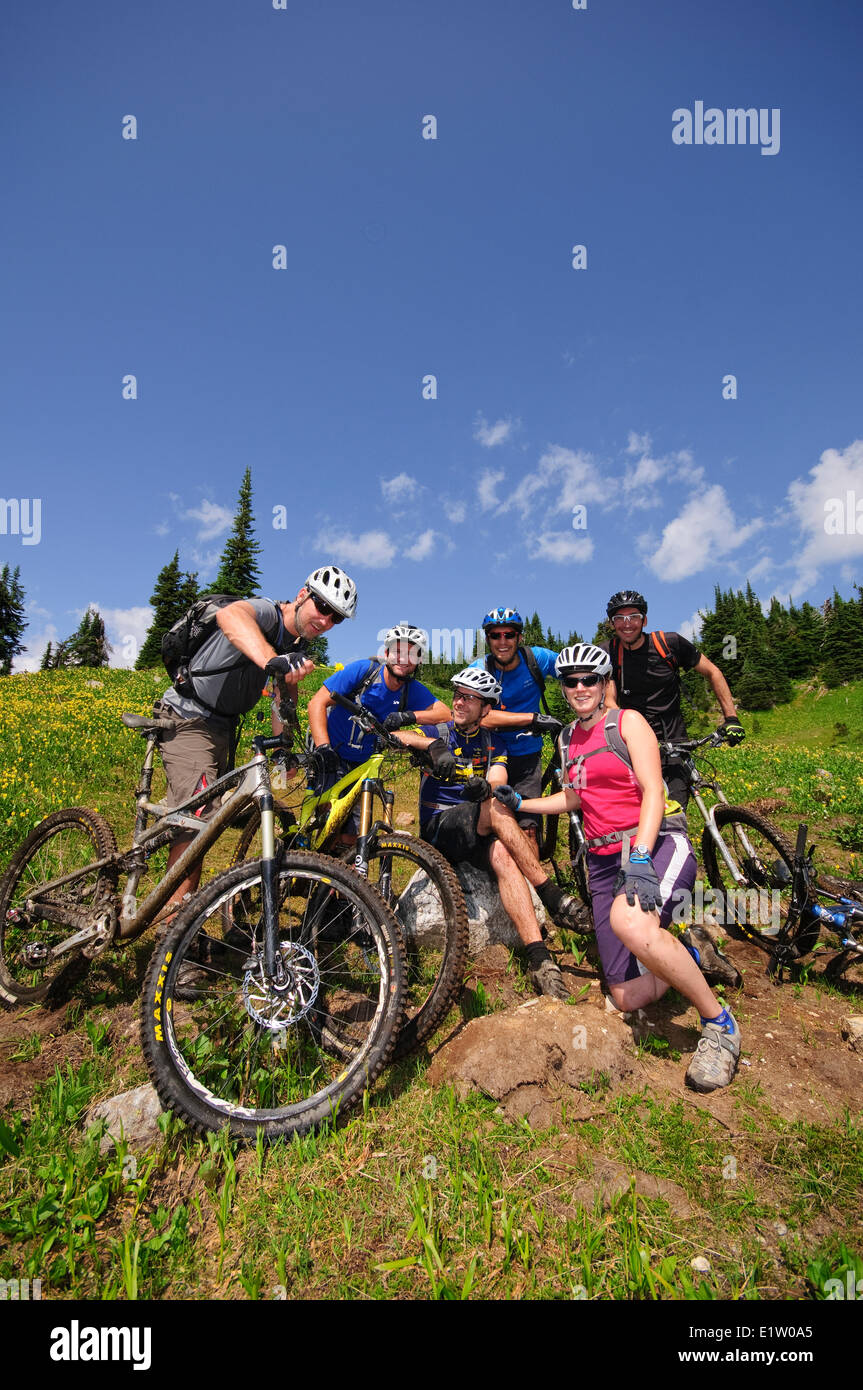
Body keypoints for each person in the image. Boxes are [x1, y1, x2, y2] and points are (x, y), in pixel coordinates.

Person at [513, 643, 742, 1092]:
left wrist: (639, 854)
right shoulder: (565, 738)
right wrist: (522, 802)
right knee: (624, 995)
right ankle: (688, 954)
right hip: (600, 860)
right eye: (570, 681)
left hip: (654, 842)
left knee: (628, 922)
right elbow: (575, 798)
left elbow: (654, 791)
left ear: (603, 685)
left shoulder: (627, 723)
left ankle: (720, 1026)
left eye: (589, 680)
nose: (579, 688)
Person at [154, 565, 358, 921]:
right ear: (301, 596)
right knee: (197, 822)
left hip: (223, 729)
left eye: (336, 619)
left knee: (215, 816)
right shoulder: (266, 612)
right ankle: (174, 929)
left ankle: (193, 912)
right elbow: (233, 616)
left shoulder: (295, 644)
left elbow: (283, 693)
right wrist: (271, 659)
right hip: (188, 718)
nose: (326, 621)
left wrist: (286, 745)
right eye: (323, 608)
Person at [394, 666, 585, 1001]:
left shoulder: (493, 742)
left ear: (486, 709)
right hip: (440, 827)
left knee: (501, 852)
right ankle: (551, 895)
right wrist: (432, 746)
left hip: (476, 827)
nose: (460, 703)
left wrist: (486, 786)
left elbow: (498, 780)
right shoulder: (439, 728)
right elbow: (394, 736)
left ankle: (540, 960)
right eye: (458, 695)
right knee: (497, 809)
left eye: (470, 698)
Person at [306, 622, 451, 840]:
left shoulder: (411, 690)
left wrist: (409, 716)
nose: (403, 658)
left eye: (412, 654)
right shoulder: (363, 671)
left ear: (419, 660)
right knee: (325, 826)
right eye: (398, 651)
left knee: (352, 836)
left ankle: (340, 872)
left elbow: (445, 713)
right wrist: (323, 748)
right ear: (386, 653)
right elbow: (316, 703)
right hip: (331, 753)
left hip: (364, 766)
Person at [600, 590, 745, 809]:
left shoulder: (669, 644)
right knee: (639, 813)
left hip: (675, 740)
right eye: (619, 618)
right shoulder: (608, 652)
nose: (626, 624)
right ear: (612, 623)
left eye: (634, 617)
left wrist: (731, 718)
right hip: (634, 744)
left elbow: (713, 672)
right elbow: (610, 702)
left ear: (644, 620)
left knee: (677, 811)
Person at [469, 608, 563, 847]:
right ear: (488, 639)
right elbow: (477, 717)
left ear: (519, 637)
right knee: (492, 824)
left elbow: (575, 672)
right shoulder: (479, 669)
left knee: (528, 828)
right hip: (491, 755)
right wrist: (532, 718)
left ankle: (535, 883)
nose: (503, 642)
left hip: (527, 754)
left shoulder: (537, 659)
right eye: (495, 635)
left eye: (509, 634)